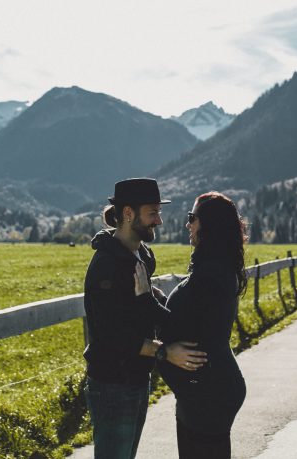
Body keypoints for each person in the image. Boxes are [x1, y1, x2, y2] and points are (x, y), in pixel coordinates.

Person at [83, 177, 208, 459]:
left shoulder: (140, 255)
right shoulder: (107, 266)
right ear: (128, 214)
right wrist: (164, 351)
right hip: (112, 384)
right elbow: (111, 337)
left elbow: (139, 313)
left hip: (136, 378)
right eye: (153, 213)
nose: (159, 221)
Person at [135, 191, 248, 459]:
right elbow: (188, 321)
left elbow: (177, 326)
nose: (188, 224)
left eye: (192, 218)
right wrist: (156, 297)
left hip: (209, 392)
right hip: (202, 391)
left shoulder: (212, 274)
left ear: (209, 224)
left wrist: (143, 298)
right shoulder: (214, 267)